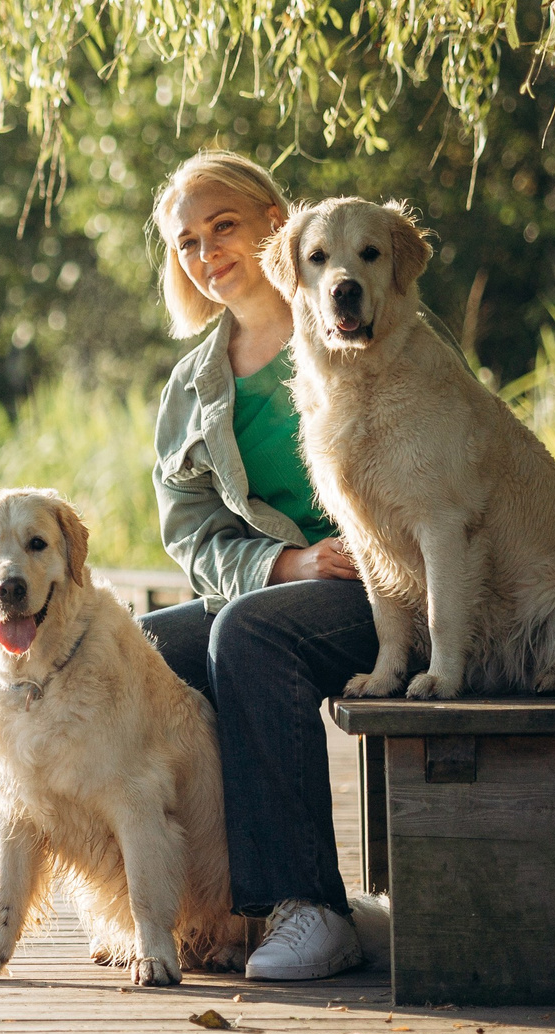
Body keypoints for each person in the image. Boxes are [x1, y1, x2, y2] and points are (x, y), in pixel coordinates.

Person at [139, 150, 377, 981]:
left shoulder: (350, 313)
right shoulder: (194, 384)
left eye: (223, 227)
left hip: (396, 585)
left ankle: (307, 904)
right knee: (141, 651)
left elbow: (445, 443)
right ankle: (202, 909)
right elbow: (194, 534)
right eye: (188, 242)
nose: (206, 254)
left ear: (277, 220)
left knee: (247, 635)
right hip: (293, 583)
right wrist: (289, 562)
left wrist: (344, 555)